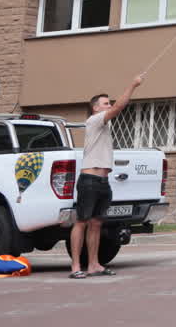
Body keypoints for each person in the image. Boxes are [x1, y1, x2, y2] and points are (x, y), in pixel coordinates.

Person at [69, 72, 144, 278]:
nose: (109, 105)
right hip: (89, 181)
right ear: (95, 108)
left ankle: (94, 265)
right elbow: (119, 107)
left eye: (109, 103)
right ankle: (76, 267)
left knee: (96, 224)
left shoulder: (103, 126)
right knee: (81, 222)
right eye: (105, 103)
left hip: (103, 182)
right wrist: (133, 85)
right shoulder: (94, 120)